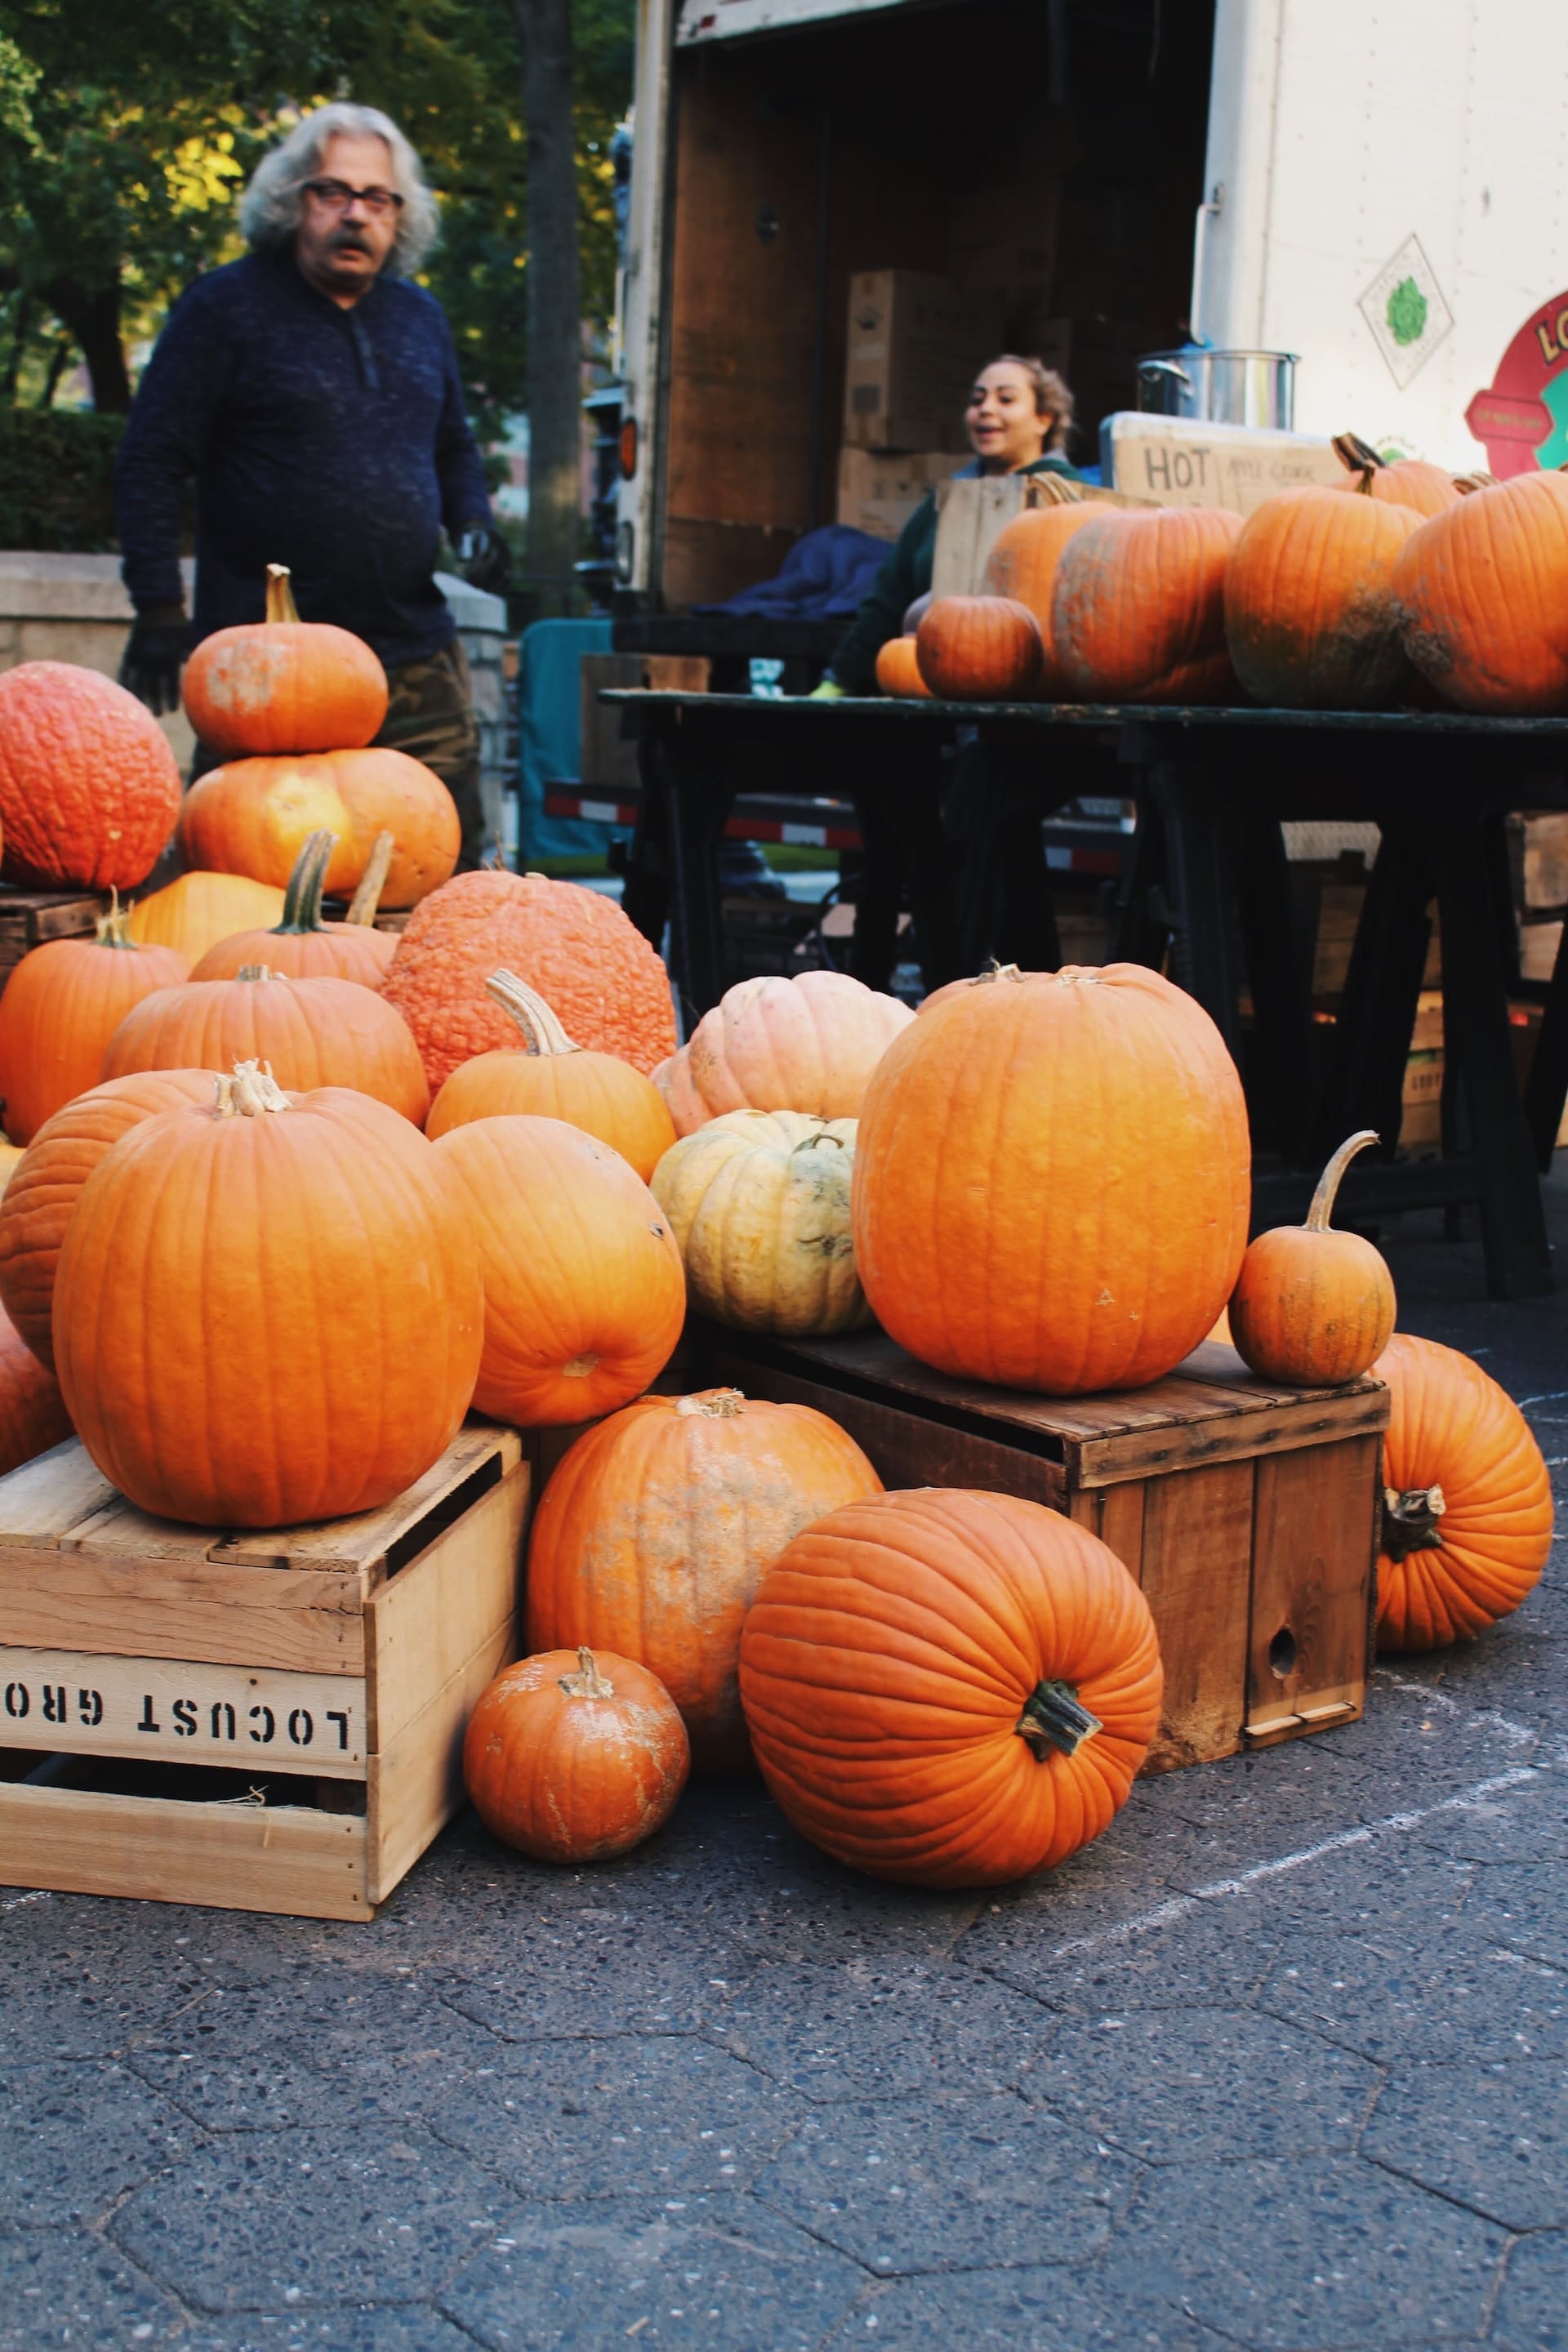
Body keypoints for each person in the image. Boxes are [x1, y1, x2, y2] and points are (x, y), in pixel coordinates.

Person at [115, 102, 510, 870]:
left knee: (447, 888)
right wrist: (159, 604)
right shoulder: (223, 309)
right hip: (266, 674)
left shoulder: (421, 317)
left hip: (409, 657)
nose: (356, 214)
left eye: (377, 198)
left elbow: (454, 447)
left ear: (401, 215)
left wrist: (475, 519)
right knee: (243, 888)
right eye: (334, 192)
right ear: (293, 200)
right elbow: (151, 458)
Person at [814, 354, 1080, 697]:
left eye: (1006, 399)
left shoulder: (1069, 497)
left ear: (1043, 419)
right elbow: (889, 595)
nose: (985, 408)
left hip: (1031, 694)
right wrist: (839, 680)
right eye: (977, 399)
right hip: (932, 686)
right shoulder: (944, 502)